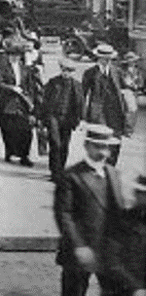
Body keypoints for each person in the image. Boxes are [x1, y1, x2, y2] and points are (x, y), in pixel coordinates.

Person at [55, 123, 124, 296]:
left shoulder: (113, 174)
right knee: (74, 292)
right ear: (86, 146)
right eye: (97, 146)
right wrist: (79, 246)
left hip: (107, 250)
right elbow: (64, 215)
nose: (103, 152)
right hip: (79, 251)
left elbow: (119, 211)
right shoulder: (72, 176)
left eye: (106, 147)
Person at [0, 43, 40, 166]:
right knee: (8, 129)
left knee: (26, 130)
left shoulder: (25, 69)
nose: (14, 58)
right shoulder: (3, 68)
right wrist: (11, 88)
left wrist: (31, 100)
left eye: (17, 55)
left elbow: (30, 86)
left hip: (22, 103)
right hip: (7, 102)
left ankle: (24, 155)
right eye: (12, 55)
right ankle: (9, 151)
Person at [82, 44, 128, 165]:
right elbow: (82, 94)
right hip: (98, 113)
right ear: (98, 58)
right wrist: (82, 116)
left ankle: (110, 167)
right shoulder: (90, 73)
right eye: (103, 58)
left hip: (115, 112)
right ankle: (98, 167)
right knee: (98, 140)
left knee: (115, 142)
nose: (106, 61)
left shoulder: (117, 72)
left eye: (108, 58)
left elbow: (125, 90)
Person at [101, 172, 146, 296]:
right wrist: (136, 288)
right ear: (136, 194)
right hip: (123, 289)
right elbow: (112, 260)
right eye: (142, 193)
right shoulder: (122, 221)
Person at [41, 58, 84, 180]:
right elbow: (44, 100)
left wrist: (81, 119)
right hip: (53, 117)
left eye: (69, 71)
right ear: (61, 70)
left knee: (64, 145)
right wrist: (42, 116)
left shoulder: (76, 85)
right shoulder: (53, 82)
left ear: (72, 72)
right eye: (64, 70)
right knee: (55, 143)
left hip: (68, 119)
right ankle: (54, 172)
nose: (66, 73)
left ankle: (60, 170)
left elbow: (81, 103)